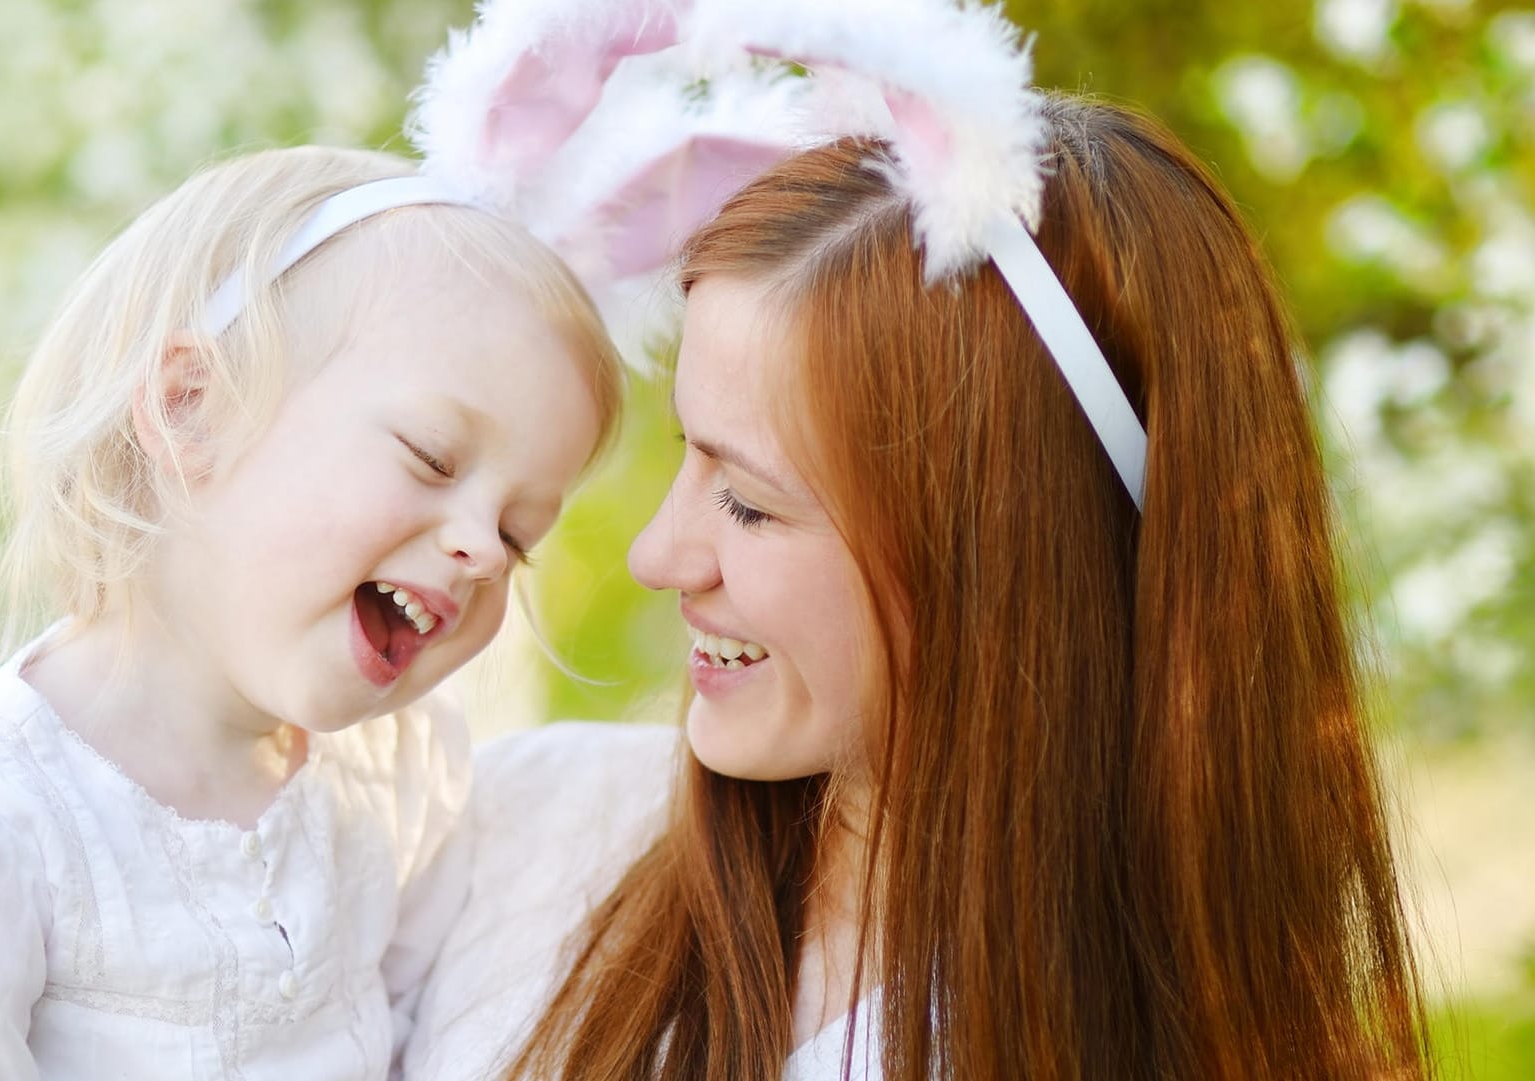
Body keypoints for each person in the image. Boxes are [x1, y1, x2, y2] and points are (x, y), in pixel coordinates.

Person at [397, 13, 1435, 1081]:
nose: (658, 556)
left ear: (1007, 569)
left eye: (748, 502)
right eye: (684, 453)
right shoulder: (511, 835)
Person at [0, 144, 624, 1080]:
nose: (481, 548)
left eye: (519, 529)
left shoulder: (395, 779)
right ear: (191, 407)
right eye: (430, 456)